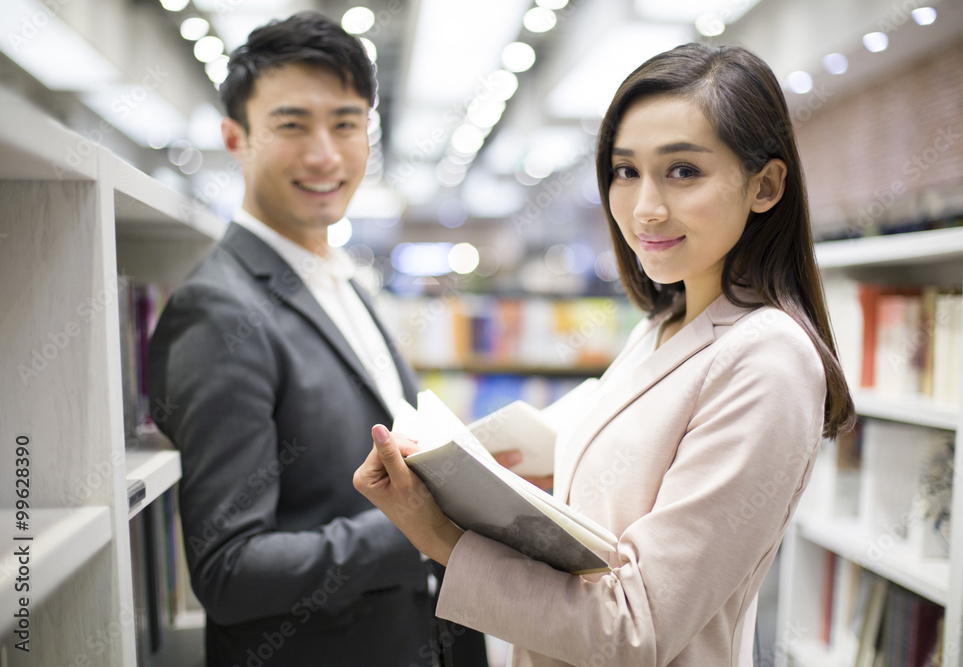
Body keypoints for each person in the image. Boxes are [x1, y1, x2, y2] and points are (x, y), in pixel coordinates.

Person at [353, 42, 856, 666]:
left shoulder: (768, 359)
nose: (645, 207)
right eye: (626, 171)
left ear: (766, 185)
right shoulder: (665, 322)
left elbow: (634, 629)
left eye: (683, 171)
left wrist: (440, 537)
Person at [147, 12, 487, 667]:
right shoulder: (219, 309)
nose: (325, 154)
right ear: (235, 138)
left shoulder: (344, 280)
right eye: (291, 124)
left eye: (346, 123)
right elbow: (228, 567)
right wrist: (425, 524)